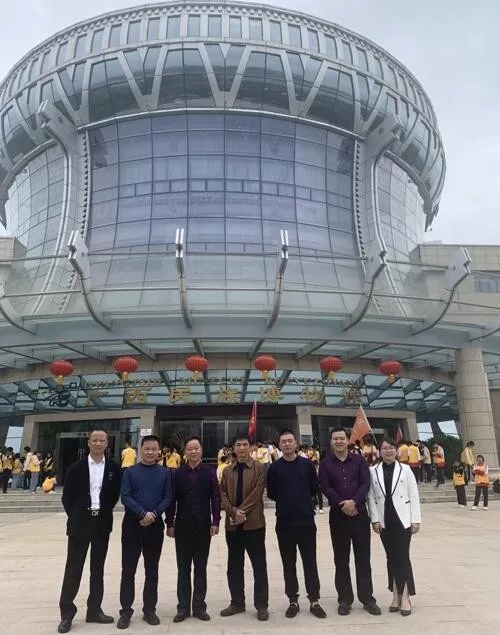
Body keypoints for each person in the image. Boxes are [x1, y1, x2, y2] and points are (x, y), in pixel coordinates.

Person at [58, 429, 121, 634]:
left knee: (97, 569)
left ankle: (94, 610)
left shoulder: (113, 468)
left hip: (101, 523)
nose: (98, 443)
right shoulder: (76, 468)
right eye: (95, 440)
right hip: (79, 524)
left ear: (107, 443)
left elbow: (114, 495)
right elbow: (67, 497)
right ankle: (67, 614)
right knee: (73, 569)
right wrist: (77, 515)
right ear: (89, 442)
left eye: (102, 440)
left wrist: (101, 511)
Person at [319, 427, 381, 617]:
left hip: (359, 514)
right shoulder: (325, 464)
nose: (339, 441)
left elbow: (365, 484)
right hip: (338, 517)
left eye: (342, 438)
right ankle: (345, 599)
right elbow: (325, 487)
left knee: (363, 559)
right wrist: (342, 503)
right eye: (335, 439)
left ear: (348, 440)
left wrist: (354, 501)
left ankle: (367, 598)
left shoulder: (359, 461)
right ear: (331, 441)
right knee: (341, 560)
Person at [267, 429, 326, 619]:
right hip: (284, 522)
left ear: (296, 443)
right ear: (279, 445)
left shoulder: (306, 464)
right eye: (283, 441)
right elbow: (271, 493)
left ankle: (314, 600)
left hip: (306, 521)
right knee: (288, 563)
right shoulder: (274, 468)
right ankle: (293, 600)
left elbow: (313, 487)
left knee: (310, 562)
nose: (287, 444)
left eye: (289, 441)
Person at [117, 435, 173, 629]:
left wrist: (154, 514)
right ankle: (126, 611)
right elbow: (125, 496)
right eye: (147, 449)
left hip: (155, 527)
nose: (150, 452)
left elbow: (168, 497)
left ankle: (150, 609)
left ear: (159, 451)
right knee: (128, 570)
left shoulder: (165, 473)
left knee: (152, 570)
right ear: (141, 450)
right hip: (132, 526)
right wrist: (142, 513)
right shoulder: (130, 472)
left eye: (154, 449)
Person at [166, 436, 221, 623]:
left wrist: (216, 521)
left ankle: (199, 607)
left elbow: (216, 498)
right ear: (185, 452)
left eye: (196, 448)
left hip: (203, 526)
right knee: (183, 569)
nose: (193, 451)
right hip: (182, 526)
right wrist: (170, 523)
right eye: (190, 448)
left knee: (200, 567)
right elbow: (172, 500)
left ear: (201, 450)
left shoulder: (210, 472)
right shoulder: (177, 474)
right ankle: (183, 608)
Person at [367, 438, 421, 617]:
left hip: (403, 519)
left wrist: (416, 519)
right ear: (379, 451)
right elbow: (371, 497)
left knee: (402, 556)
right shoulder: (373, 471)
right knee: (391, 557)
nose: (388, 451)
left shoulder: (405, 469)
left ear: (396, 450)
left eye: (391, 448)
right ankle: (395, 594)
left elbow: (413, 494)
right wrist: (375, 520)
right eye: (384, 448)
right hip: (385, 520)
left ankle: (405, 596)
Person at [219, 434, 269, 621]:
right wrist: (233, 512)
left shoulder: (259, 468)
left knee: (259, 566)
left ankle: (261, 605)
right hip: (233, 527)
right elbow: (222, 494)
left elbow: (257, 493)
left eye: (245, 445)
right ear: (233, 448)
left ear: (251, 447)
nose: (241, 448)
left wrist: (241, 512)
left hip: (254, 524)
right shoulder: (227, 470)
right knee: (234, 566)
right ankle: (237, 602)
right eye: (238, 445)